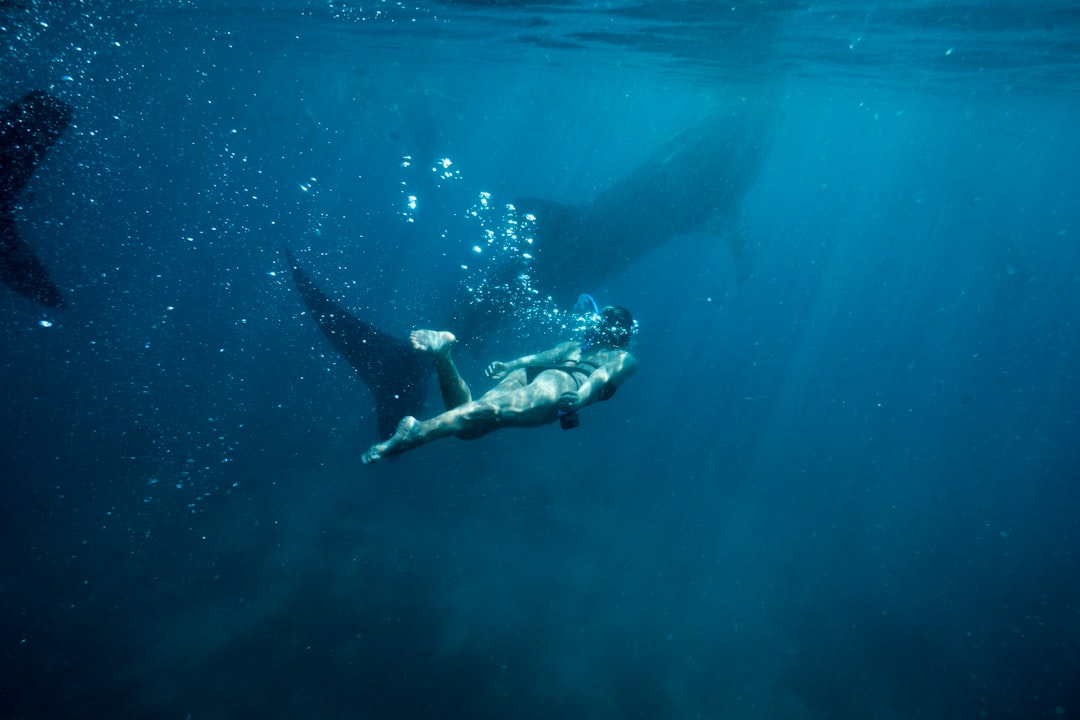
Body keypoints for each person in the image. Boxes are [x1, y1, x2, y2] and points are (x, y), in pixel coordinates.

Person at [361, 305, 638, 464]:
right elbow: (599, 376)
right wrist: (579, 395)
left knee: (471, 423)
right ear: (625, 334)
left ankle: (443, 356)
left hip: (534, 374)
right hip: (563, 383)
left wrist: (511, 366)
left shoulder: (574, 346)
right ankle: (416, 432)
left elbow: (542, 357)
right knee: (490, 412)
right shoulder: (624, 356)